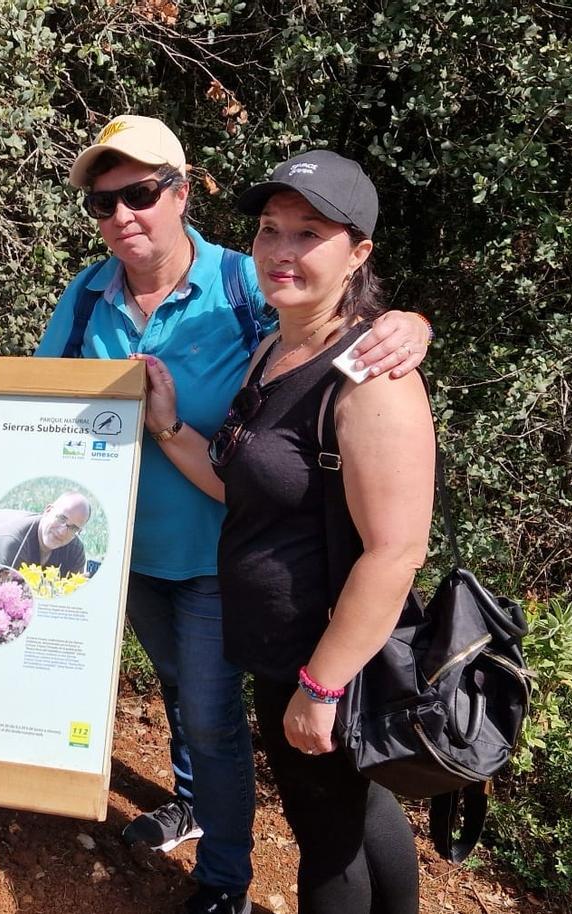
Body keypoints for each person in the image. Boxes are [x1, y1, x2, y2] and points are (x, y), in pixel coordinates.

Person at [0, 116, 431, 914]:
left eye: (139, 193)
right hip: (121, 553)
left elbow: (346, 341)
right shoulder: (88, 294)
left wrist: (412, 326)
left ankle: (224, 879)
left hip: (222, 563)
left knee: (216, 720)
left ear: (182, 190)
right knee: (180, 693)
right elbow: (40, 406)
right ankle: (193, 803)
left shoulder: (248, 284)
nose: (122, 216)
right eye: (103, 203)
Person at [141, 149, 431, 913]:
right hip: (282, 645)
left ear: (358, 253)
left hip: (326, 650)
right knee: (359, 809)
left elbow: (397, 549)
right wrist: (170, 431)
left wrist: (322, 683)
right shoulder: (273, 347)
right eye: (271, 230)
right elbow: (244, 485)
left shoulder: (371, 374)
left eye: (309, 233)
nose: (282, 250)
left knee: (325, 841)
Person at [0, 492, 91, 573]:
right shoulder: (13, 544)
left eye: (73, 528)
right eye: (61, 518)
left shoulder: (75, 549)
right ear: (48, 511)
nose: (62, 532)